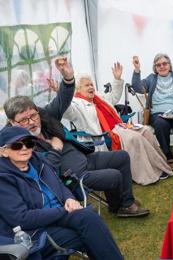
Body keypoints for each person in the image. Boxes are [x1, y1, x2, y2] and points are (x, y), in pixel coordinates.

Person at [3, 57, 149, 217]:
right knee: (113, 175)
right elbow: (45, 171)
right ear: (12, 121)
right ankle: (122, 206)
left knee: (121, 156)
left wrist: (68, 78)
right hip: (71, 177)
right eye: (24, 119)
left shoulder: (44, 116)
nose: (32, 122)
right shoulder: (14, 144)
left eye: (33, 115)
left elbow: (62, 100)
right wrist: (56, 149)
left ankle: (123, 204)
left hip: (84, 158)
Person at [0, 126, 123, 260]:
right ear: (3, 152)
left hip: (58, 214)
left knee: (89, 220)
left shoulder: (38, 160)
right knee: (90, 232)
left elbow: (58, 184)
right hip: (35, 230)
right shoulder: (3, 178)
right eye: (17, 145)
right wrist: (64, 210)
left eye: (28, 143)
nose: (24, 148)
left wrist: (69, 198)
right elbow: (21, 219)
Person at [56, 62, 172, 185]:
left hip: (120, 126)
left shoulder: (98, 96)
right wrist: (62, 94)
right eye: (86, 85)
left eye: (91, 84)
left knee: (147, 131)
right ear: (78, 89)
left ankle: (160, 165)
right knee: (135, 138)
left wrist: (116, 79)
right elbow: (66, 110)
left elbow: (113, 97)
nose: (91, 87)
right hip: (107, 134)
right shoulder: (76, 104)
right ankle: (149, 174)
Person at [131, 51, 173, 176]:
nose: (162, 66)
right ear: (155, 68)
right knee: (160, 124)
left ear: (169, 65)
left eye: (165, 63)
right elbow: (138, 88)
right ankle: (168, 155)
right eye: (158, 65)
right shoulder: (151, 79)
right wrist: (137, 70)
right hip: (158, 112)